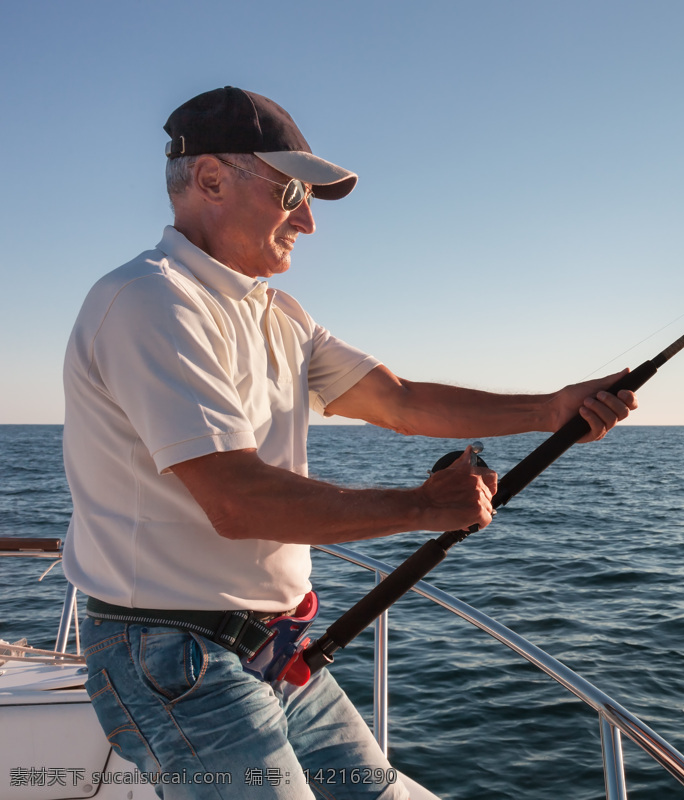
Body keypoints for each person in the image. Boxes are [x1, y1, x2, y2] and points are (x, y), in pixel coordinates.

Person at [61, 86, 637, 799]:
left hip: (272, 649)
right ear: (211, 179)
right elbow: (236, 502)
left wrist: (550, 409)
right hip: (173, 656)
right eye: (293, 191)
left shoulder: (280, 315)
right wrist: (424, 509)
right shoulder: (152, 301)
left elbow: (399, 400)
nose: (307, 220)